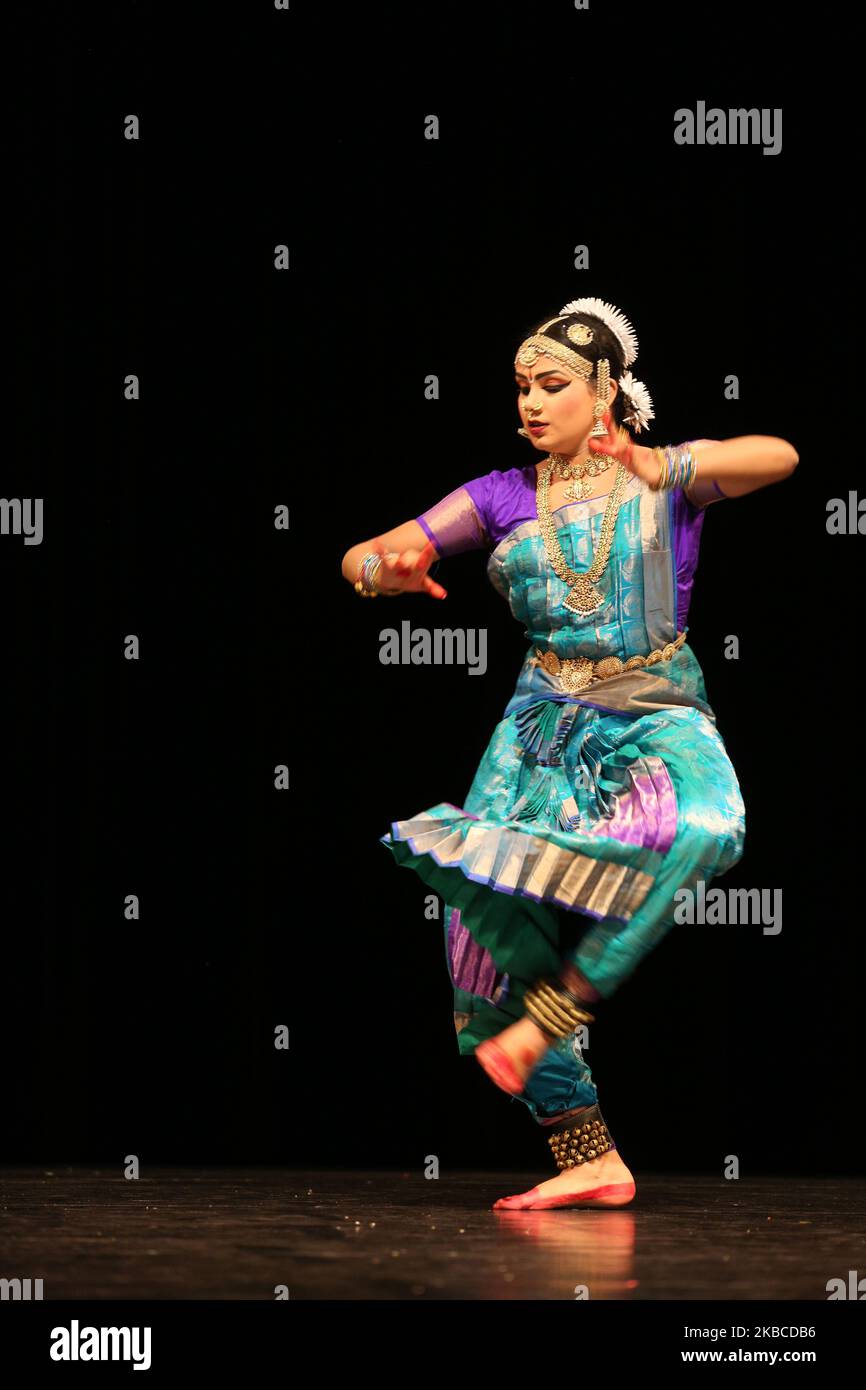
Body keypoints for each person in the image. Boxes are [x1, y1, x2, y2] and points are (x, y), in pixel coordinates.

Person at [341, 296, 798, 1211]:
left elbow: (779, 458)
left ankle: (558, 1015)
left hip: (652, 707)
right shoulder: (504, 494)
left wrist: (663, 462)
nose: (531, 404)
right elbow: (374, 550)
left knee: (707, 828)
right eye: (522, 388)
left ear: (607, 393)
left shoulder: (666, 476)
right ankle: (586, 1153)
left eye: (553, 385)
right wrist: (378, 568)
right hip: (539, 726)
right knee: (476, 934)